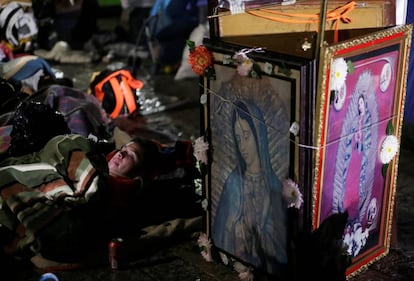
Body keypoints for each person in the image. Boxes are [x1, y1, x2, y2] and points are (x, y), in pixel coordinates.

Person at [0, 133, 198, 265]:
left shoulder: (118, 194)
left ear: (138, 176)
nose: (121, 153)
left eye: (131, 155)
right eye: (124, 148)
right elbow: (62, 148)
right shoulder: (93, 159)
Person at [212, 100, 288, 277]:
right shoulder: (233, 182)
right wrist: (235, 228)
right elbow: (219, 234)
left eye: (246, 136)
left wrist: (259, 235)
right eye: (238, 138)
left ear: (259, 136)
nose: (242, 146)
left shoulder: (274, 186)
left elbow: (281, 245)